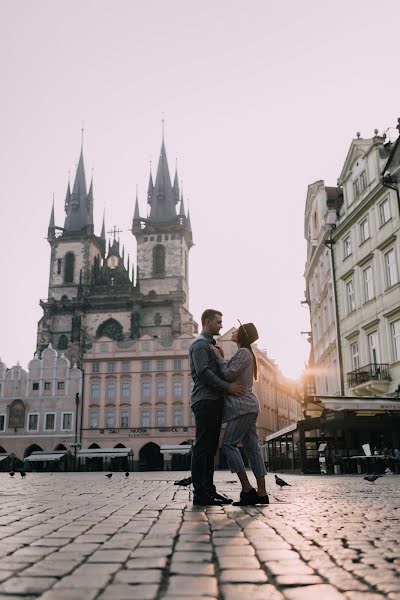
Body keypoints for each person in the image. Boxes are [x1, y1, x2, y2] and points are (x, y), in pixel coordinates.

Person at [189, 309, 245, 506]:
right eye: (218, 322)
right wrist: (228, 387)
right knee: (203, 447)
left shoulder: (211, 346)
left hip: (213, 400)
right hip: (205, 400)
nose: (221, 325)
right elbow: (204, 373)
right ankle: (200, 493)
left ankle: (209, 490)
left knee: (211, 448)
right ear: (207, 322)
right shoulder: (199, 345)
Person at [211, 322, 269, 505]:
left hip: (242, 407)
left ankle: (247, 488)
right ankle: (262, 493)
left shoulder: (243, 352)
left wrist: (219, 357)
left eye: (237, 330)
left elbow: (228, 374)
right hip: (248, 407)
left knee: (228, 445)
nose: (233, 331)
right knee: (253, 449)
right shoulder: (246, 353)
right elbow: (232, 372)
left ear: (242, 335)